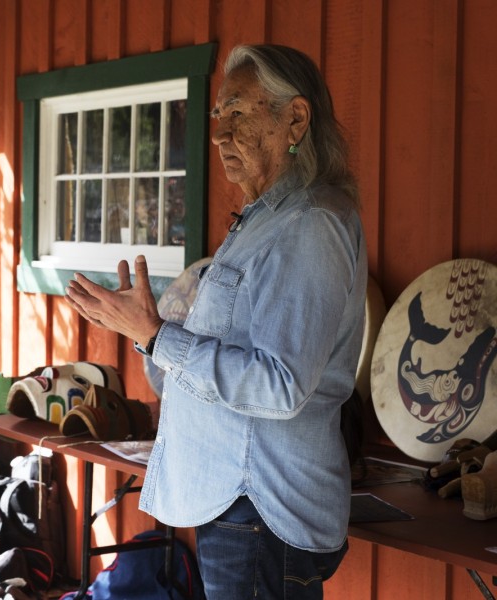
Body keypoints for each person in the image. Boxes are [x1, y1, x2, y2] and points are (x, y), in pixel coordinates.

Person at [65, 44, 366, 599]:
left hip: (261, 510)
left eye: (239, 112)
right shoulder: (264, 220)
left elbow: (279, 385)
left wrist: (155, 336)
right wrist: (148, 334)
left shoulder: (310, 225)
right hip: (240, 507)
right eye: (217, 115)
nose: (219, 133)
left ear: (295, 118)